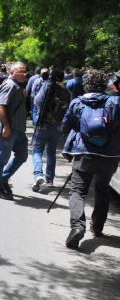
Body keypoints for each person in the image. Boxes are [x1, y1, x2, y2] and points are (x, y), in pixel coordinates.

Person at [62, 70, 120, 248]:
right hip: (110, 155)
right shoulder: (114, 102)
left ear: (86, 84)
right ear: (104, 84)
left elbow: (65, 126)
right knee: (102, 190)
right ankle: (98, 227)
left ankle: (78, 227)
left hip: (84, 153)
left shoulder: (78, 102)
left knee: (77, 191)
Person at [0, 62, 28, 200]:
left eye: (25, 71)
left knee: (22, 155)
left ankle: (3, 179)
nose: (24, 73)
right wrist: (6, 126)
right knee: (1, 159)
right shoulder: (9, 85)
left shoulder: (19, 85)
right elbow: (0, 106)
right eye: (21, 71)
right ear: (12, 72)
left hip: (19, 129)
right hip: (9, 129)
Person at [31, 69, 70, 192]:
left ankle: (38, 174)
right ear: (62, 78)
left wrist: (46, 115)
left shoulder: (46, 87)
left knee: (37, 151)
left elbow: (37, 101)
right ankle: (49, 180)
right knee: (51, 153)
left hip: (43, 124)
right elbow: (68, 108)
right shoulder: (66, 92)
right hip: (57, 126)